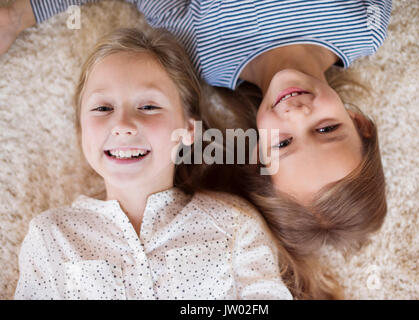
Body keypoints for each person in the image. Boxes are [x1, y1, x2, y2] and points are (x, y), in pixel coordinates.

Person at [4, 0, 391, 299]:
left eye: (284, 142)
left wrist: (23, 13)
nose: (297, 113)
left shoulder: (205, 52)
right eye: (326, 129)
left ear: (256, 152)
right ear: (359, 123)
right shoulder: (366, 28)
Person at [14, 27, 293, 300]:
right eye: (103, 108)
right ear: (81, 130)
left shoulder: (233, 224)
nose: (122, 125)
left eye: (148, 107)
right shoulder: (51, 236)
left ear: (188, 130)